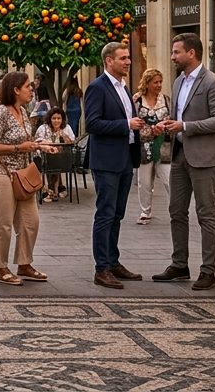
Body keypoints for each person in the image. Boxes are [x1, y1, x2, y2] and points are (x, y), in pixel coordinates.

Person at [152, 33, 215, 291]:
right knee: (176, 211)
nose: (172, 56)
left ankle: (208, 271)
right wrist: (168, 125)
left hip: (204, 157)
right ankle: (179, 264)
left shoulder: (213, 82)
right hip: (179, 154)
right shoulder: (177, 83)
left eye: (176, 52)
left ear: (191, 53)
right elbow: (178, 117)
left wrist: (185, 126)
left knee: (205, 213)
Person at [0, 72, 59, 285]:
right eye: (27, 86)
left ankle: (24, 264)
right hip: (2, 173)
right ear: (15, 90)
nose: (31, 89)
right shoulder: (2, 113)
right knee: (2, 224)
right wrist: (17, 148)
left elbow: (25, 141)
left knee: (30, 222)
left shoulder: (23, 111)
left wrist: (40, 145)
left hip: (23, 174)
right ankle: (0, 268)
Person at [84, 42, 144, 289]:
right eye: (123, 58)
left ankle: (112, 261)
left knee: (117, 214)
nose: (128, 62)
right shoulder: (97, 87)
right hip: (106, 160)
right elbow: (92, 124)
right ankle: (101, 268)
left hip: (125, 157)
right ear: (109, 61)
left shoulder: (124, 87)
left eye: (128, 57)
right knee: (106, 213)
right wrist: (126, 125)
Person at [132, 68, 172, 225]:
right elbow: (132, 120)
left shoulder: (166, 100)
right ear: (147, 83)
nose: (159, 85)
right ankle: (145, 211)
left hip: (163, 145)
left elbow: (173, 118)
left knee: (169, 179)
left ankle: (176, 210)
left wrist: (163, 125)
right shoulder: (137, 100)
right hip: (144, 145)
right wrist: (148, 130)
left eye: (161, 82)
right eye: (156, 82)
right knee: (145, 182)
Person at [37, 107, 75, 201]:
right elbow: (37, 141)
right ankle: (54, 189)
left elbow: (72, 143)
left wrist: (63, 135)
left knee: (56, 159)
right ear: (50, 119)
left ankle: (53, 190)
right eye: (54, 118)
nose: (56, 121)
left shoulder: (66, 128)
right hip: (45, 157)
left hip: (63, 159)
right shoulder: (43, 128)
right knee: (50, 159)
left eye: (59, 118)